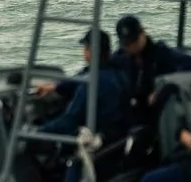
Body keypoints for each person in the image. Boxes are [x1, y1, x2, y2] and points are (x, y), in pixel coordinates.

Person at [35, 29, 131, 182]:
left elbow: (69, 121)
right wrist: (55, 87)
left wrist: (36, 132)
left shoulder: (91, 83)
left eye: (86, 48)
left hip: (96, 145)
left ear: (91, 51)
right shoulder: (116, 73)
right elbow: (78, 79)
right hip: (115, 141)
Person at [112, 15, 191, 126]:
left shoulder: (160, 52)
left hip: (157, 111)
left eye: (134, 41)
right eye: (127, 44)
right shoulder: (120, 57)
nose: (132, 47)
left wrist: (164, 86)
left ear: (143, 33)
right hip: (131, 110)